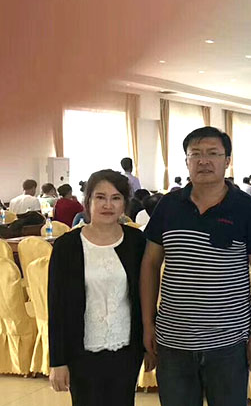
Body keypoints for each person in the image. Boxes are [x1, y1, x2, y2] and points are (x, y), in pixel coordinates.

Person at [140, 126, 251, 406]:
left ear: (227, 160)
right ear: (186, 161)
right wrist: (148, 323)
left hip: (229, 344)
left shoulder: (247, 209)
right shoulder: (168, 206)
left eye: (213, 153)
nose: (203, 161)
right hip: (173, 341)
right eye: (195, 154)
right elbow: (150, 264)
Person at [48, 169, 148, 405]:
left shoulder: (136, 241)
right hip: (81, 351)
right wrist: (57, 361)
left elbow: (143, 295)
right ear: (88, 201)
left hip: (126, 349)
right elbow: (57, 306)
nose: (108, 205)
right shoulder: (67, 246)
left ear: (124, 204)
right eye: (100, 197)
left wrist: (148, 346)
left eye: (116, 198)